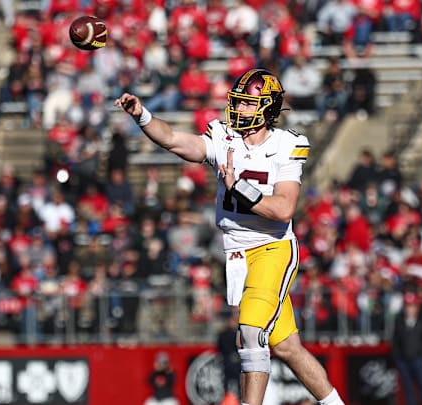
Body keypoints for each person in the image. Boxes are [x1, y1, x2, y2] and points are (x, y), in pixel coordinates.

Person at [116, 68, 344, 405]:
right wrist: (143, 116)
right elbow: (176, 140)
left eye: (248, 103)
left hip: (272, 248)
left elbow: (283, 209)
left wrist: (239, 188)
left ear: (267, 108)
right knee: (286, 347)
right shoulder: (224, 138)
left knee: (250, 332)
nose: (238, 107)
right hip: (237, 253)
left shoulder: (286, 144)